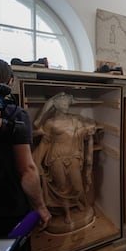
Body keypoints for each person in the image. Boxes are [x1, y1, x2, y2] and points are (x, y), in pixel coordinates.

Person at [0, 56, 51, 238]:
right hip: (9, 211)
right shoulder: (16, 114)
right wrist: (40, 207)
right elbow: (27, 169)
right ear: (10, 82)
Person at [32, 92, 96, 232]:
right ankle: (67, 213)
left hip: (73, 156)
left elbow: (84, 131)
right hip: (56, 157)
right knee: (62, 187)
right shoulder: (50, 123)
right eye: (63, 102)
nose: (66, 105)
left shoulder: (75, 120)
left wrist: (87, 130)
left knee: (77, 186)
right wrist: (37, 160)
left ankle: (77, 203)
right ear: (55, 105)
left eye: (68, 102)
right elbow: (44, 142)